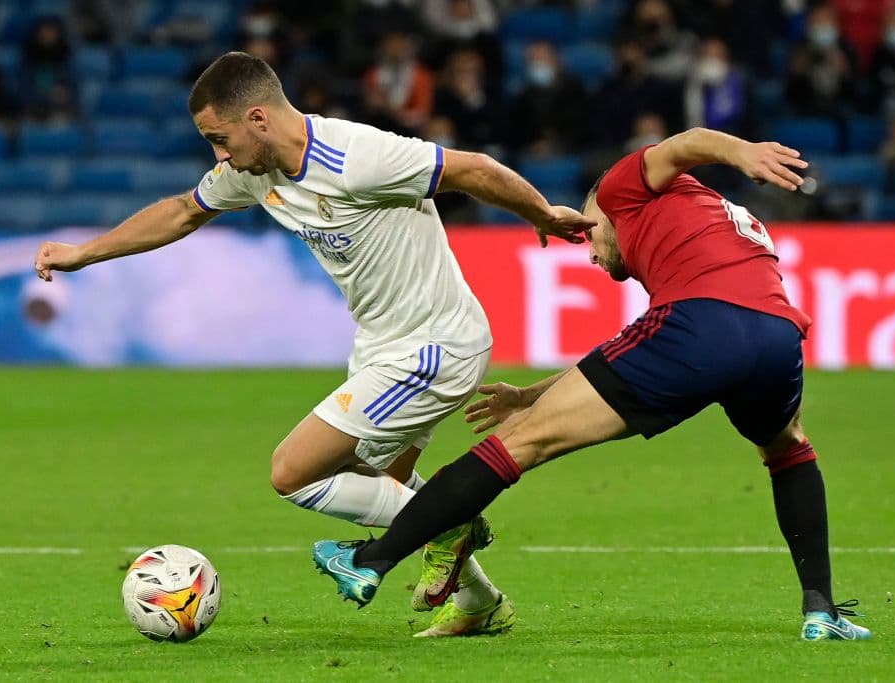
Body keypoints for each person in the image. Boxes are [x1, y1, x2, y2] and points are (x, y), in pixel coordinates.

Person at [33, 51, 594, 638]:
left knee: (294, 472)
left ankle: (451, 523)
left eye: (218, 139)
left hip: (435, 345)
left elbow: (473, 169)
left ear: (257, 118)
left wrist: (542, 215)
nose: (217, 156)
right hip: (381, 346)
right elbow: (180, 213)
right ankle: (480, 601)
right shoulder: (254, 173)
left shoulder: (355, 156)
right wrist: (83, 253)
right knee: (384, 485)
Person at [313, 127, 874, 642]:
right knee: (787, 449)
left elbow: (685, 143)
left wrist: (742, 152)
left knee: (521, 442)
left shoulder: (621, 187)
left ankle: (372, 560)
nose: (590, 250)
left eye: (588, 233)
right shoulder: (718, 221)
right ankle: (821, 610)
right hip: (776, 336)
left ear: (603, 209)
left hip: (700, 325)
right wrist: (534, 394)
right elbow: (638, 350)